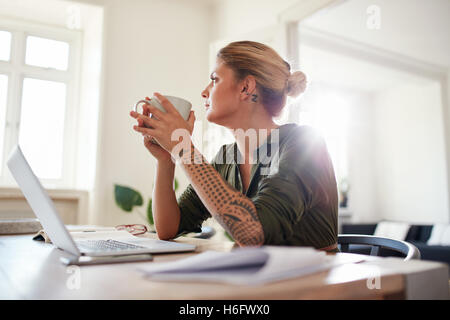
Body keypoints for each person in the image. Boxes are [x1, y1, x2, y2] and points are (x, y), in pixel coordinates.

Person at [129, 41, 338, 251]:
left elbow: (254, 232)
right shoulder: (227, 157)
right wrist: (166, 159)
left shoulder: (304, 143)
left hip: (312, 279)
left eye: (214, 80)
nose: (204, 92)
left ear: (246, 88)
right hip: (261, 278)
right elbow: (168, 229)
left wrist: (183, 149)